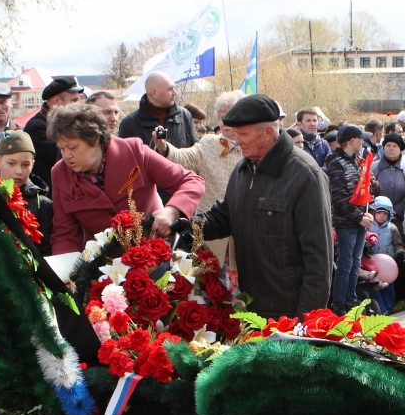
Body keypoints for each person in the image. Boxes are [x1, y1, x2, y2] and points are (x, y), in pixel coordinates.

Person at [197, 94, 332, 318]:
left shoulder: (304, 175)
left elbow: (319, 261)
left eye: (243, 134)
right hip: (252, 306)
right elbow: (226, 216)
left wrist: (302, 325)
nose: (237, 141)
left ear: (268, 132)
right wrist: (188, 226)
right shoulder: (243, 169)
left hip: (289, 314)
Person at [48, 103, 203, 254]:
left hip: (155, 256)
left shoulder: (135, 152)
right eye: (62, 148)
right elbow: (64, 235)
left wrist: (171, 211)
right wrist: (64, 268)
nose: (66, 155)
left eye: (73, 147)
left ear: (95, 139)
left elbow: (191, 181)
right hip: (104, 264)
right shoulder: (60, 173)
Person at [158, 90, 245, 270]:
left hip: (244, 233)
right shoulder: (209, 143)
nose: (225, 122)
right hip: (210, 229)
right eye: (222, 117)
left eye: (230, 116)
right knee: (210, 279)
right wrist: (165, 148)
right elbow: (186, 157)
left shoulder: (252, 146)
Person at [325, 124, 373, 314]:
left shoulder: (358, 161)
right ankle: (339, 305)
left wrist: (368, 211)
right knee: (345, 265)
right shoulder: (336, 164)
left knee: (355, 264)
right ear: (352, 141)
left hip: (359, 221)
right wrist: (359, 217)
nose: (363, 142)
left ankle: (351, 301)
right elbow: (339, 198)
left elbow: (365, 190)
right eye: (361, 139)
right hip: (346, 223)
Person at [0, 130, 53, 257]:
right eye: (11, 163)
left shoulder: (42, 204)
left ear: (33, 165)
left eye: (26, 165)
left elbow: (47, 249)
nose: (19, 171)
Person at [23, 75, 86, 188]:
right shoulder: (37, 127)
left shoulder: (62, 124)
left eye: (79, 100)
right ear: (56, 101)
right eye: (74, 100)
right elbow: (64, 157)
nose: (79, 105)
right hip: (48, 193)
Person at [117, 70, 199, 152]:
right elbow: (125, 157)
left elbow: (197, 153)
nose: (175, 93)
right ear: (155, 93)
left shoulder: (184, 115)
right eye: (170, 89)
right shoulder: (129, 124)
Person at [375, 133, 405, 230]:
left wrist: (397, 209)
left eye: (395, 146)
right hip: (377, 219)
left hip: (401, 219)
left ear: (400, 149)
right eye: (388, 145)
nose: (391, 148)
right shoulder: (373, 167)